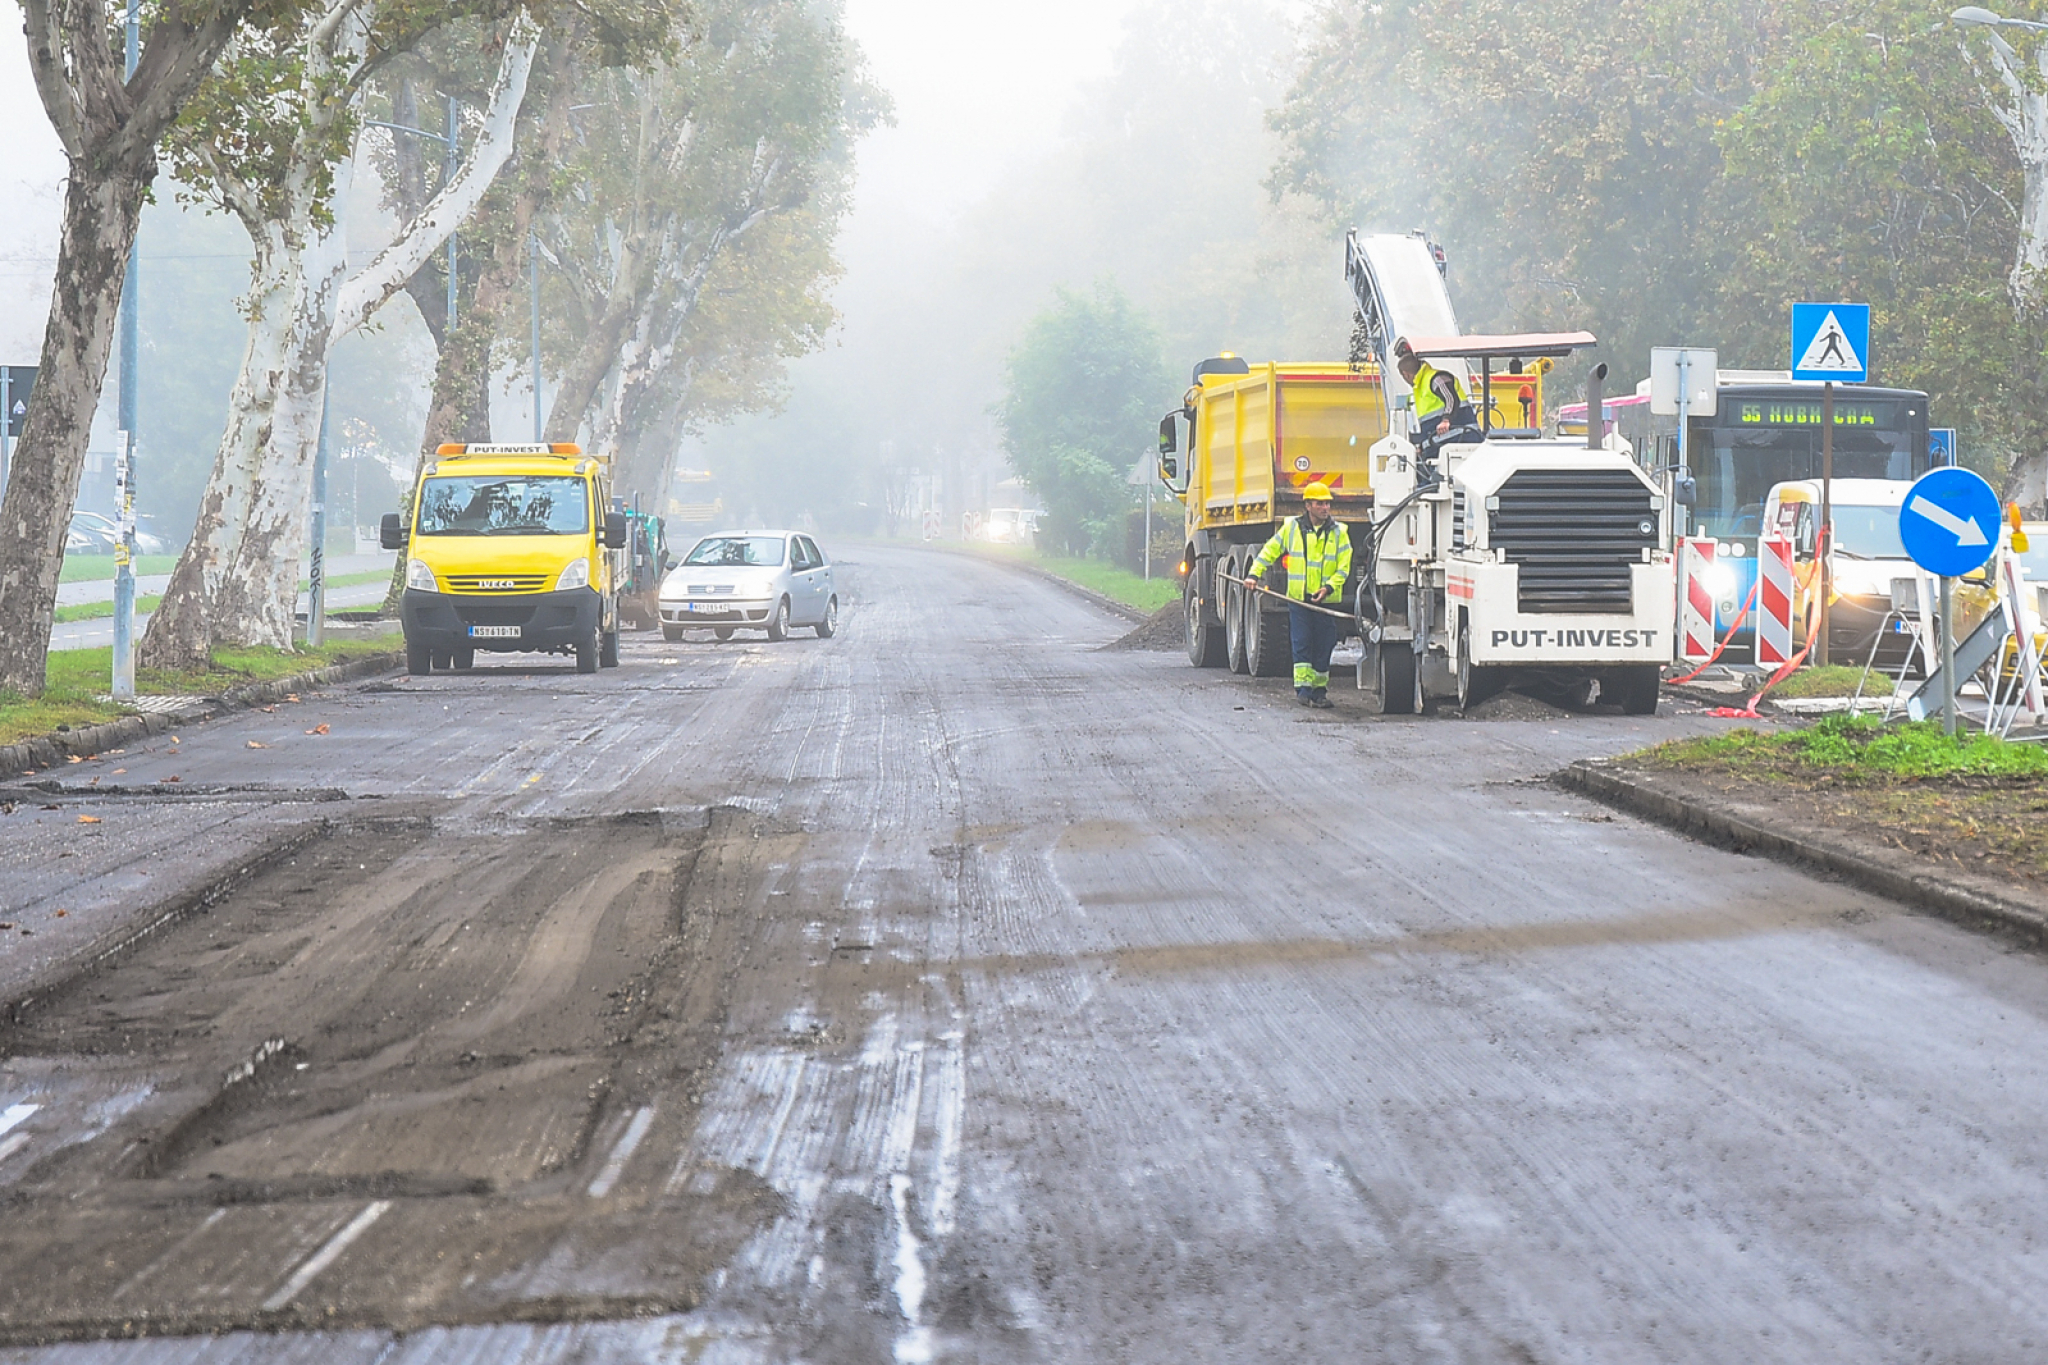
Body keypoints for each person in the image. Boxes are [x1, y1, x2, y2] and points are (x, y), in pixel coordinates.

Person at [1247, 481, 1352, 708]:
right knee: (1302, 643)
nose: (1325, 508)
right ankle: (1304, 691)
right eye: (1320, 503)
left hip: (1325, 602)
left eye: (1327, 503)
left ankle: (1319, 691)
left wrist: (1329, 588)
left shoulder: (1339, 533)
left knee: (1325, 645)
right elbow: (1269, 551)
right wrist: (1254, 574)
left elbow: (1344, 568)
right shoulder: (1291, 528)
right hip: (1299, 600)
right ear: (1308, 505)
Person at [1394, 339, 1480, 459]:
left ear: (1405, 374)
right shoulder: (1420, 388)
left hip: (1461, 442)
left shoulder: (1436, 379)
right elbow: (1428, 425)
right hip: (1439, 448)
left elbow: (1451, 399)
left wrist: (1446, 420)